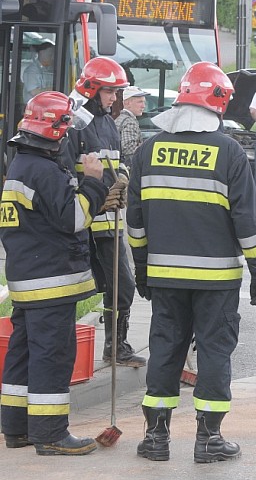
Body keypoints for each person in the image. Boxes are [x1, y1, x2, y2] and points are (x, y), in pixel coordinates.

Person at [127, 62, 256, 463]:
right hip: (216, 280)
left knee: (165, 350)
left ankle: (156, 438)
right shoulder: (228, 152)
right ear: (219, 103)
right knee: (213, 352)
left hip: (164, 277)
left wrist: (141, 268)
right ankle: (209, 440)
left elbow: (135, 222)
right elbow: (247, 221)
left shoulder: (147, 150)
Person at [0, 92, 113, 455]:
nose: (67, 137)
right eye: (65, 130)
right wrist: (95, 183)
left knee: (23, 353)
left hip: (28, 281)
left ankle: (17, 429)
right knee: (52, 354)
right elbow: (74, 219)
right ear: (54, 130)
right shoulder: (43, 170)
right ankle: (50, 433)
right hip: (51, 282)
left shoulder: (22, 166)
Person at [59, 57, 146, 368]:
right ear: (93, 90)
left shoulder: (109, 123)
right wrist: (96, 195)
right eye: (110, 92)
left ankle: (115, 344)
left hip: (110, 223)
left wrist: (122, 180)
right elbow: (66, 174)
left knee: (121, 286)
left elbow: (117, 161)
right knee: (84, 287)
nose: (114, 98)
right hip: (86, 222)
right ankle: (97, 347)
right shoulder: (74, 125)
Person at [115, 86, 150, 164]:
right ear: (127, 103)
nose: (143, 106)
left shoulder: (119, 119)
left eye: (144, 102)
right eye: (140, 102)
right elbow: (128, 149)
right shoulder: (129, 122)